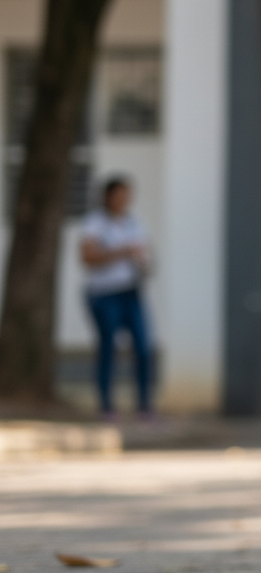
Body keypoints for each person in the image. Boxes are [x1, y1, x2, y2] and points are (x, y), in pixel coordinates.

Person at [79, 176, 154, 420]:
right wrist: (123, 252)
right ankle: (106, 406)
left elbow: (146, 255)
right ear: (107, 196)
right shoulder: (95, 223)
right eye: (119, 194)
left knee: (144, 348)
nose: (124, 200)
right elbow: (87, 258)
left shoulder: (133, 223)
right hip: (104, 294)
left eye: (127, 195)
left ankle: (144, 406)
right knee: (108, 347)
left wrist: (145, 263)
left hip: (131, 292)